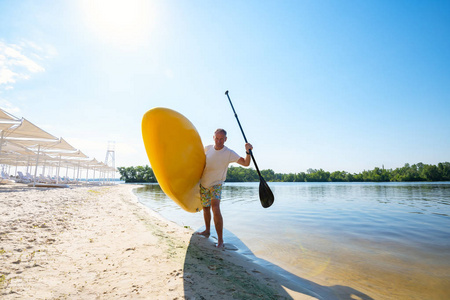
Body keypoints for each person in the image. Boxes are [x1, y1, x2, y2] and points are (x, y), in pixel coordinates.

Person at [197, 128, 253, 248]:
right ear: (213, 138)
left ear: (225, 139)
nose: (219, 141)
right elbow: (197, 161)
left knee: (215, 207)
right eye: (217, 138)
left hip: (217, 183)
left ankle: (220, 240)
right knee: (206, 208)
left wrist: (248, 152)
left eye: (221, 139)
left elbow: (246, 163)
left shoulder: (229, 153)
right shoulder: (207, 148)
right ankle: (207, 230)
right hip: (204, 183)